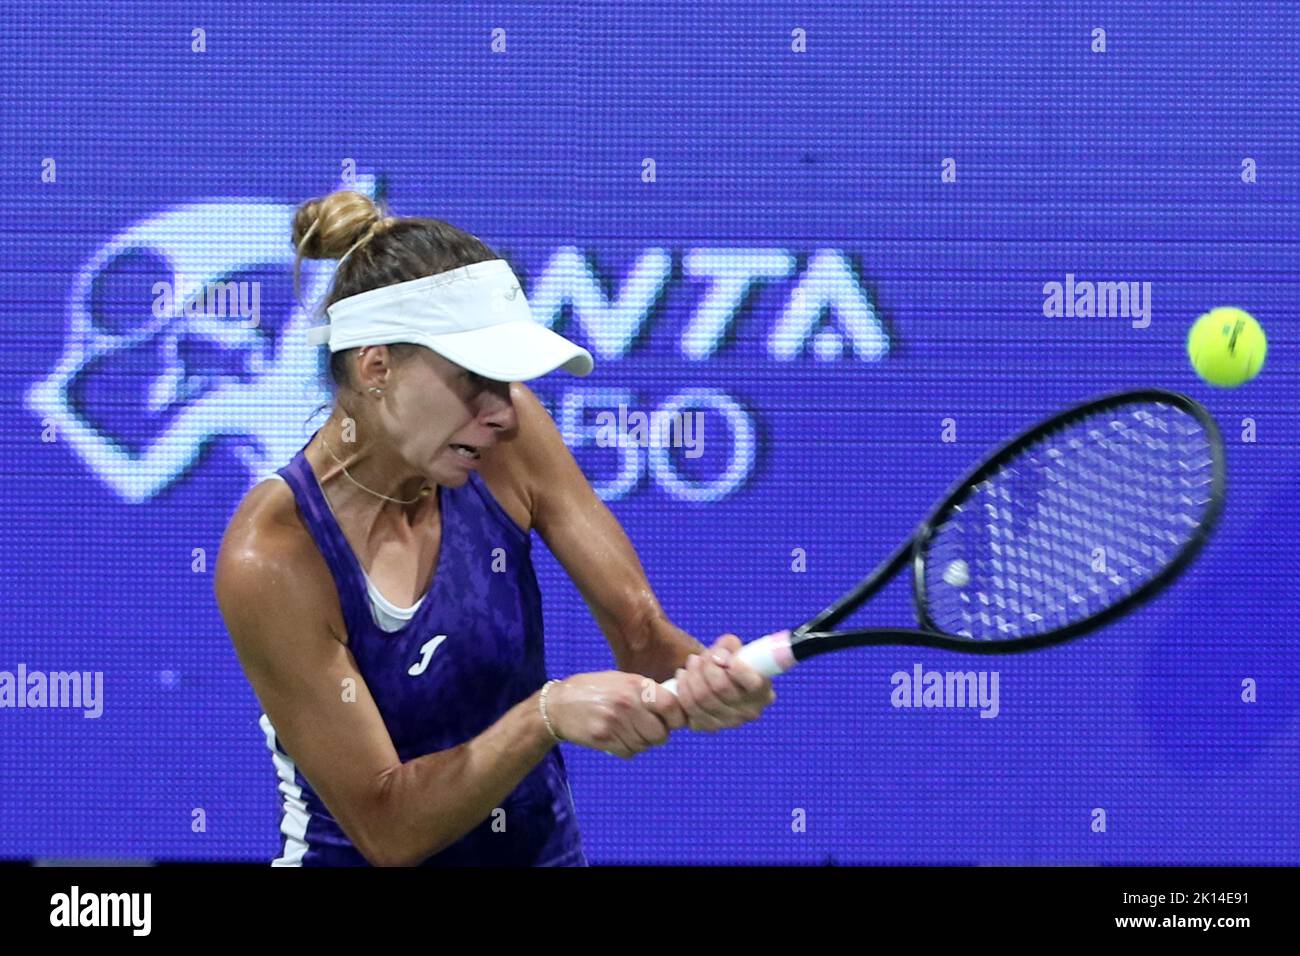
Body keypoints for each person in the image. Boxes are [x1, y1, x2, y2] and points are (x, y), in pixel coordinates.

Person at [214, 190, 775, 866]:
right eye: (476, 379)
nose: (506, 414)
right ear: (376, 368)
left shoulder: (505, 438)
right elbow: (388, 826)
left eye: (508, 382)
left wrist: (706, 684)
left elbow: (642, 639)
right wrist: (544, 716)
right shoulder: (274, 552)